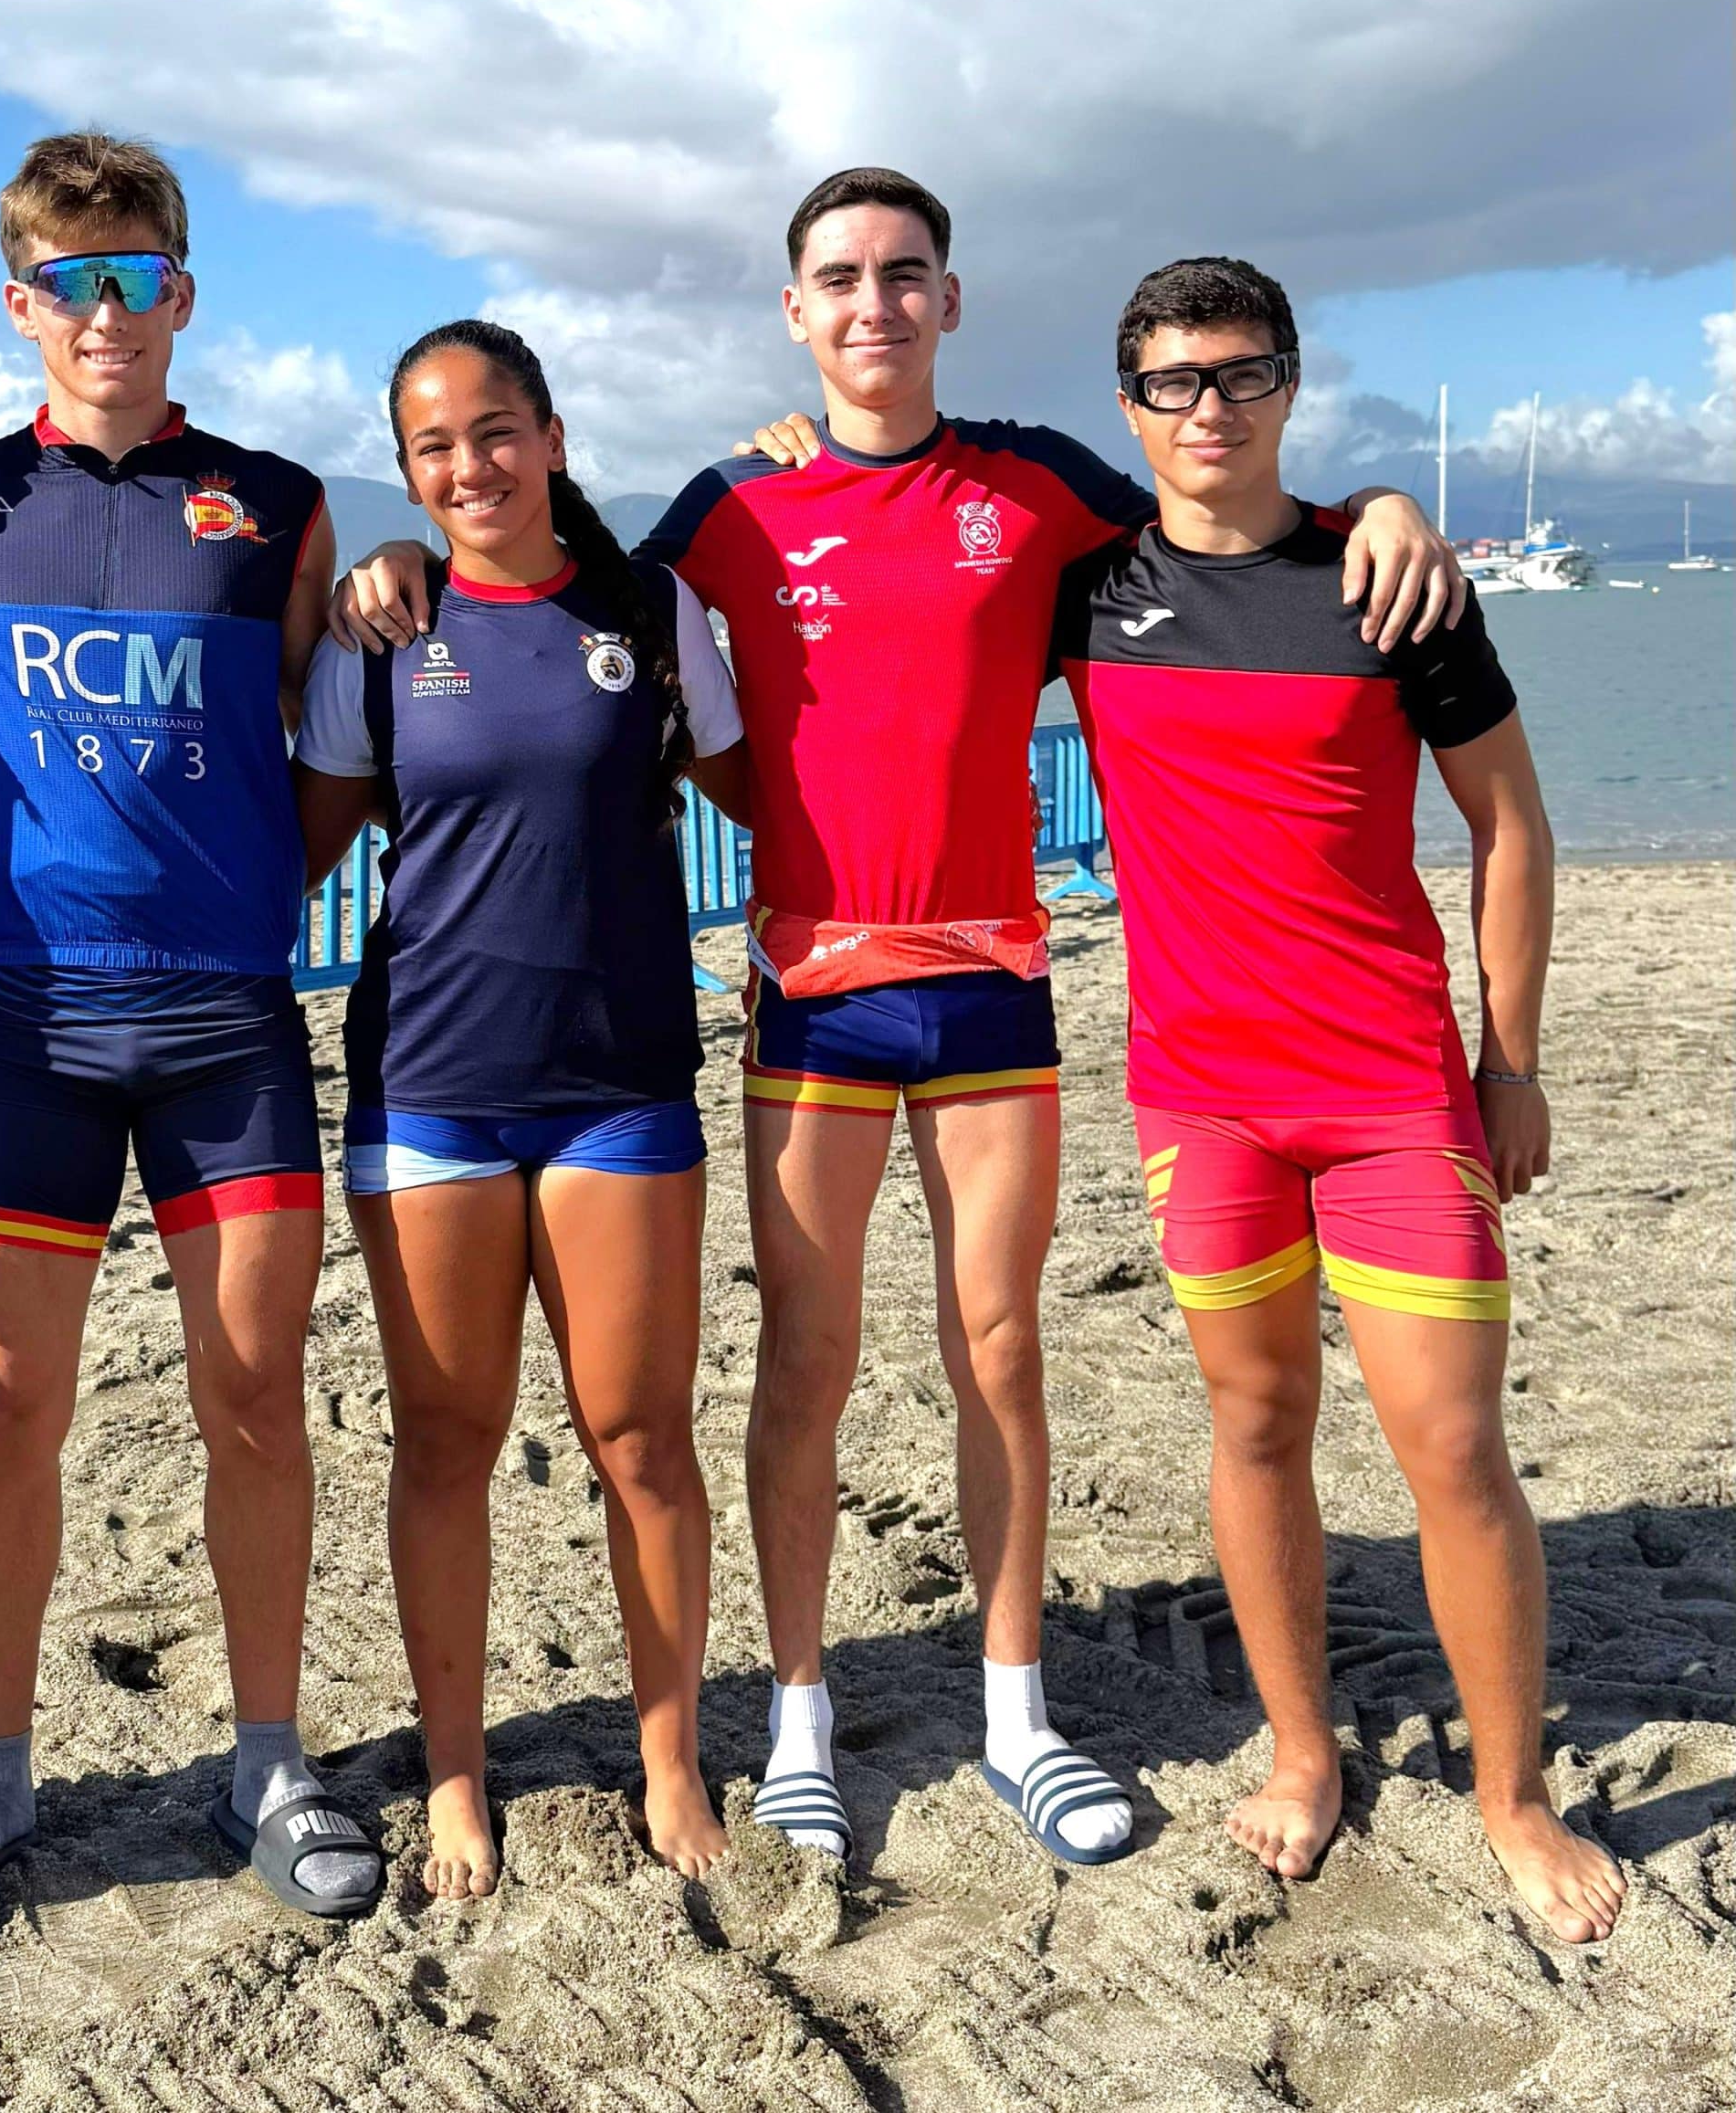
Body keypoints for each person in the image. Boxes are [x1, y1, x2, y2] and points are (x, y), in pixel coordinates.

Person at [330, 168, 1458, 1871]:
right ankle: (794, 1718)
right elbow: (555, 603)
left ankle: (1016, 1714)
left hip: (991, 981)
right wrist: (406, 552)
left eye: (904, 275)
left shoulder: (1041, 482)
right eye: (840, 279)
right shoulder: (725, 509)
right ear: (797, 311)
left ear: (949, 298)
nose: (874, 304)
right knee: (808, 1362)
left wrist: (1377, 499)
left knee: (1000, 1346)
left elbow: (1224, 530)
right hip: (813, 994)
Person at [1039, 256, 1621, 1943]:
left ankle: (1510, 1801)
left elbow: (1512, 828)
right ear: (1129, 403)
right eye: (1171, 382)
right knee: (1259, 1426)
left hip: (1391, 1093)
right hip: (1201, 1103)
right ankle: (1304, 1751)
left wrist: (1509, 1061)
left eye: (1240, 375)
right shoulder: (1089, 591)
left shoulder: (1391, 586)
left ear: (1289, 384)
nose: (1206, 410)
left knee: (1453, 1446)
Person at [0, 131, 381, 1934]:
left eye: (138, 278)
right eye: (70, 285)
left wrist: (237, 897)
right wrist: (0, 901)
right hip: (25, 1030)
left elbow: (326, 757)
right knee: (7, 1417)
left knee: (252, 1403)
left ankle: (267, 1754)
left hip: (228, 1028)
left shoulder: (277, 498)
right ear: (22, 305)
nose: (107, 314)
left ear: (180, 292)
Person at [293, 321, 750, 1898]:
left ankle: (673, 1756)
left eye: (496, 433)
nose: (469, 467)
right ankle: (458, 1773)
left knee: (641, 1439)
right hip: (430, 1085)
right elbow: (301, 841)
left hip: (621, 1085)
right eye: (433, 447)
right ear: (406, 471)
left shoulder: (650, 608)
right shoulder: (382, 633)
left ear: (551, 438)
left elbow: (772, 790)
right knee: (447, 1439)